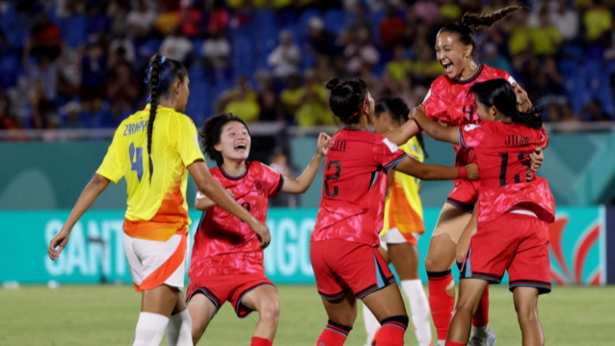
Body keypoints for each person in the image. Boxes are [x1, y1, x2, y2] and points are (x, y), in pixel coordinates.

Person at [47, 54, 269, 346]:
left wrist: (67, 226)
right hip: (163, 237)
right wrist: (251, 219)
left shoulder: (128, 126)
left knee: (182, 326)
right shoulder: (179, 124)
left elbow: (98, 180)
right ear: (176, 85)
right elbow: (205, 182)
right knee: (148, 337)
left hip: (133, 238)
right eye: (188, 84)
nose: (189, 90)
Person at [410, 8, 546, 346]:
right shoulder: (439, 88)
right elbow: (416, 124)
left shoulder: (500, 81)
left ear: (467, 50)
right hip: (469, 181)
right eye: (437, 49)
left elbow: (528, 121)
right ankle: (450, 339)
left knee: (463, 258)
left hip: (495, 186)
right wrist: (382, 143)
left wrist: (534, 152)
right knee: (435, 260)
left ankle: (479, 333)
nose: (440, 55)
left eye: (446, 48)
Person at [310, 78, 479, 346]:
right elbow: (421, 170)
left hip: (320, 244)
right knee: (395, 319)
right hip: (352, 243)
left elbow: (391, 139)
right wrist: (465, 172)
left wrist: (424, 111)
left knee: (339, 323)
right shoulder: (375, 146)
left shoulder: (338, 141)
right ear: (366, 107)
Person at [186, 113, 331, 346]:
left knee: (271, 305)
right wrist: (220, 197)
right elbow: (200, 201)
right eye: (232, 133)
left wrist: (317, 156)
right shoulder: (211, 178)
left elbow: (300, 186)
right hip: (210, 268)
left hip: (248, 268)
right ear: (217, 145)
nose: (241, 136)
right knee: (191, 332)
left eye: (244, 133)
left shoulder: (261, 173)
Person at [362, 97, 431, 346]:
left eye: (375, 120)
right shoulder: (415, 143)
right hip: (404, 219)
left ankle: (424, 342)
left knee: (401, 285)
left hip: (396, 221)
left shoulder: (392, 143)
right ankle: (375, 339)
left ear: (383, 117)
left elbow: (386, 181)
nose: (373, 126)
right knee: (380, 284)